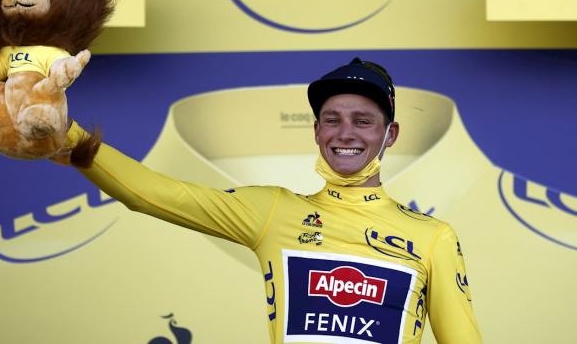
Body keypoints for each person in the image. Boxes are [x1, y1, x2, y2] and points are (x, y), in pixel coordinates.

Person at [59, 57, 482, 343]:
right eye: (332, 120)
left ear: (390, 135)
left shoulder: (432, 237)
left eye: (364, 121)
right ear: (317, 131)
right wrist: (65, 132)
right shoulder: (273, 211)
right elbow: (147, 193)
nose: (346, 133)